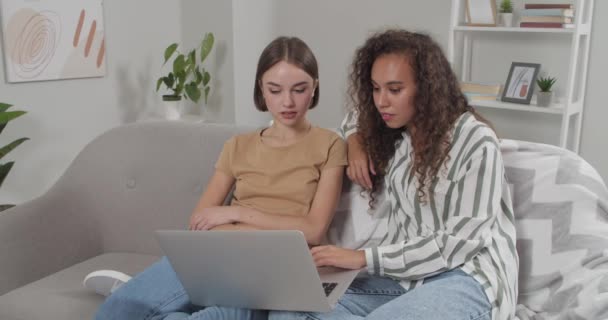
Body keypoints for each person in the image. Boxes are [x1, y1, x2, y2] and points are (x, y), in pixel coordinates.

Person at [90, 36, 347, 320]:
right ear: (261, 89)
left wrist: (236, 213)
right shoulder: (238, 145)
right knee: (124, 307)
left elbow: (312, 230)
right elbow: (200, 221)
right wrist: (246, 229)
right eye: (275, 90)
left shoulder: (330, 145)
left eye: (299, 90)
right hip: (221, 256)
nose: (287, 102)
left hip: (275, 268)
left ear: (315, 87)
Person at [269, 29, 518, 320]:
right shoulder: (395, 138)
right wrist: (355, 141)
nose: (381, 102)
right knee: (290, 309)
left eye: (394, 90)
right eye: (375, 88)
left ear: (426, 89)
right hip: (403, 280)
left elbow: (460, 242)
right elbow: (353, 119)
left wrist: (361, 258)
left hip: (465, 276)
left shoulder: (475, 140)